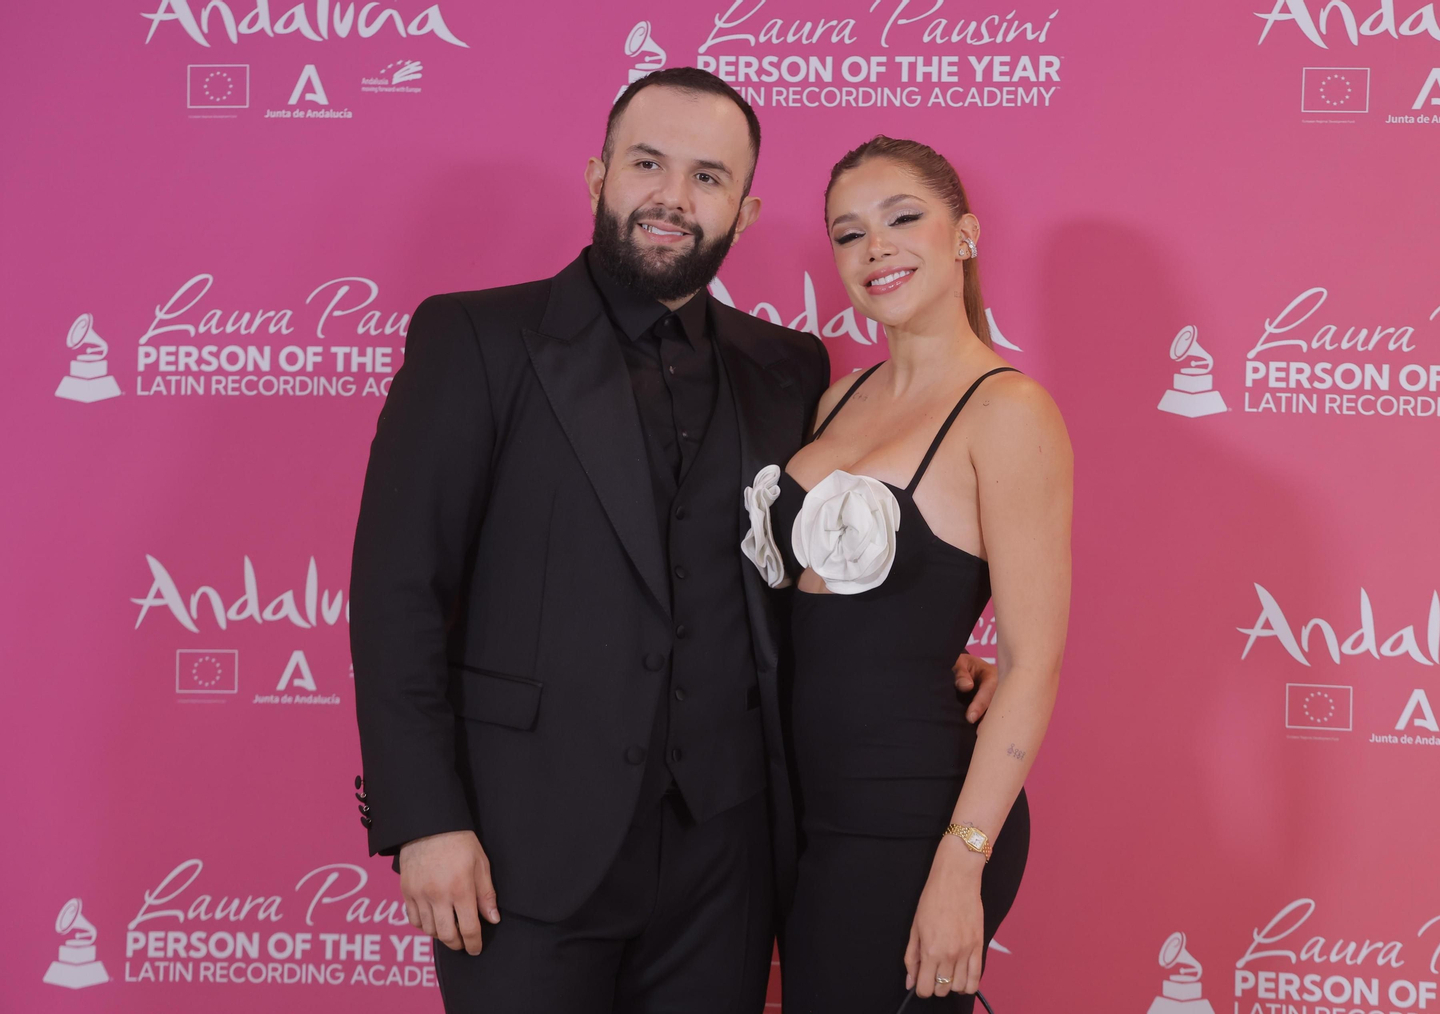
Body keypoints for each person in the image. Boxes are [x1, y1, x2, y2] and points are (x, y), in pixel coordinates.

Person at [348, 71, 999, 1013]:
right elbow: (398, 592)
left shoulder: (789, 368)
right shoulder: (476, 339)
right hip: (519, 851)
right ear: (599, 175)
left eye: (708, 176)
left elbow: (809, 573)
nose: (673, 197)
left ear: (745, 209)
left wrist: (928, 656)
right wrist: (425, 820)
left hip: (726, 863)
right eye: (648, 164)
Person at [742, 136, 1073, 1011]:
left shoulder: (1009, 411)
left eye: (901, 219)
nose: (875, 248)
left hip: (915, 817)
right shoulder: (836, 399)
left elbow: (1032, 664)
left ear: (964, 234)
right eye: (849, 233)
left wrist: (962, 863)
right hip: (804, 811)